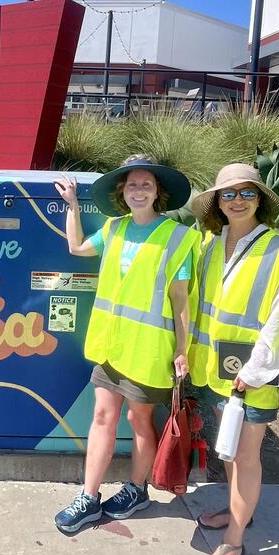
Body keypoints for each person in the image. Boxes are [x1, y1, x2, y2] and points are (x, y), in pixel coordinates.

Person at [52, 154, 200, 533]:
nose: (138, 190)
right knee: (102, 416)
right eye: (131, 184)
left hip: (149, 349)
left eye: (145, 184)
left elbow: (181, 301)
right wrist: (71, 206)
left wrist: (183, 350)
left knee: (138, 420)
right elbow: (78, 248)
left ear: (158, 193)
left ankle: (137, 488)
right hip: (111, 347)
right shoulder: (114, 229)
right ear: (123, 192)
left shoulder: (178, 237)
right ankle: (89, 496)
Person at [187, 164, 279, 555]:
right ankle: (240, 513)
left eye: (247, 193)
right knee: (230, 450)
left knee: (247, 455)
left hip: (254, 372)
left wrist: (254, 372)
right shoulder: (209, 245)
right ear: (217, 202)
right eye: (228, 194)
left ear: (261, 199)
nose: (237, 201)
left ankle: (235, 540)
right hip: (214, 368)